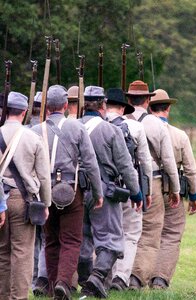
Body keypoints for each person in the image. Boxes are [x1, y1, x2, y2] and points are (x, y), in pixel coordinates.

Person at [31, 85, 103, 300]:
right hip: (72, 192)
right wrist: (98, 192)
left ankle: (53, 286)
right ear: (65, 106)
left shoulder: (35, 131)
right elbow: (90, 164)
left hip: (45, 194)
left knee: (51, 241)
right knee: (71, 241)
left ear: (47, 107)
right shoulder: (76, 127)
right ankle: (63, 282)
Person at [78, 86, 143, 299]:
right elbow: (125, 166)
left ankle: (85, 281)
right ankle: (96, 279)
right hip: (104, 191)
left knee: (83, 238)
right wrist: (136, 193)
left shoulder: (71, 127)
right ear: (103, 105)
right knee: (112, 240)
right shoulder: (111, 130)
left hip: (75, 191)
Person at [125, 80, 180, 289]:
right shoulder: (156, 124)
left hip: (124, 183)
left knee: (125, 231)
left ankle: (120, 275)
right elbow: (168, 161)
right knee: (149, 234)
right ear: (148, 100)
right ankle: (136, 277)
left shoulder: (119, 120)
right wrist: (175, 189)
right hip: (153, 183)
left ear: (128, 100)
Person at [0, 91, 52, 300]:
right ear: (24, 112)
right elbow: (44, 177)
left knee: (2, 253)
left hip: (0, 200)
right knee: (22, 254)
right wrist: (46, 203)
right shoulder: (33, 138)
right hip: (24, 201)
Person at [148, 88, 196, 288]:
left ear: (150, 107)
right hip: (171, 190)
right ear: (168, 108)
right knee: (171, 234)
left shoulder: (139, 129)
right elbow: (190, 169)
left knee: (145, 233)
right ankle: (160, 278)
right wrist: (194, 196)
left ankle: (135, 277)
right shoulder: (180, 135)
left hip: (148, 188)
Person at [105, 88, 152, 290]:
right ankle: (121, 277)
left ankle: (104, 276)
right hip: (127, 188)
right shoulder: (134, 127)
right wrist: (145, 191)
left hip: (102, 189)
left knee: (105, 233)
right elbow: (144, 162)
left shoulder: (92, 125)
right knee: (131, 234)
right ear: (123, 108)